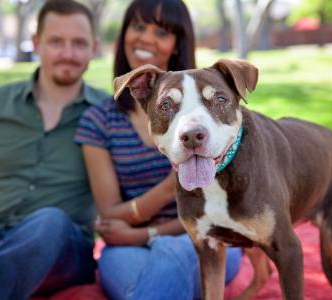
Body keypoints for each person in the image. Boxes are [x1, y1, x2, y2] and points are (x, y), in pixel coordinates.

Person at [74, 0, 242, 299]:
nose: (147, 38)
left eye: (162, 32)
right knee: (162, 275)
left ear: (178, 44)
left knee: (171, 257)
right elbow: (111, 218)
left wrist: (147, 233)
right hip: (127, 250)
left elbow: (226, 209)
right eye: (139, 26)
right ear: (124, 32)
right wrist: (168, 189)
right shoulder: (98, 120)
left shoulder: (212, 113)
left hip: (210, 239)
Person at [0, 0, 109, 299]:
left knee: (49, 220)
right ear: (37, 43)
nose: (68, 54)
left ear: (93, 48)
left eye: (78, 43)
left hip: (63, 249)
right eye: (56, 42)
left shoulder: (108, 113)